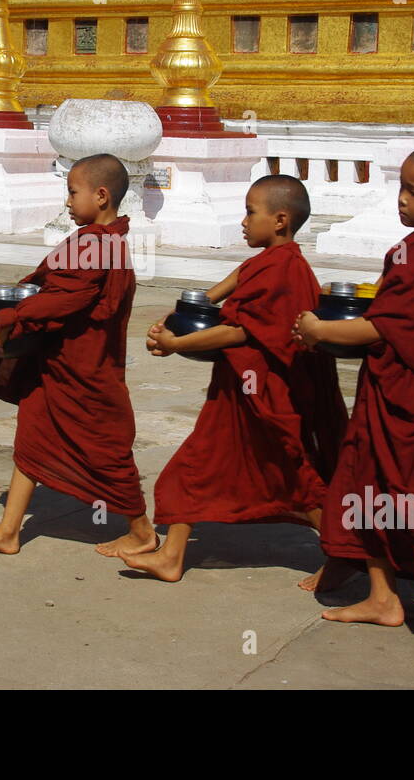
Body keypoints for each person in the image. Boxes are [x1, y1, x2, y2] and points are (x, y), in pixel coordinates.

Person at [293, 144, 414, 623]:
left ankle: (386, 596)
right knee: (395, 488)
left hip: (402, 396)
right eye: (401, 187)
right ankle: (368, 576)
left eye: (413, 191)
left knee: (373, 485)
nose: (402, 199)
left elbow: (387, 326)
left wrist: (318, 331)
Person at [120, 175, 347, 582]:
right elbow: (214, 296)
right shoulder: (263, 263)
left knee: (293, 476)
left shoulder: (284, 270)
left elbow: (239, 331)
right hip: (237, 393)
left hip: (264, 397)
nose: (243, 221)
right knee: (197, 465)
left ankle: (343, 552)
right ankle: (171, 555)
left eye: (249, 212)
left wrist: (177, 344)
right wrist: (171, 322)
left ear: (280, 220)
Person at [0, 154, 157, 558]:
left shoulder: (98, 243)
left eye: (72, 191)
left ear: (101, 196)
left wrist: (10, 318)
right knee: (33, 438)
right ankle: (9, 531)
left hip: (86, 370)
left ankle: (142, 532)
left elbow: (66, 298)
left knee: (105, 450)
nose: (67, 202)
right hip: (59, 365)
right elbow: (49, 285)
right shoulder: (105, 241)